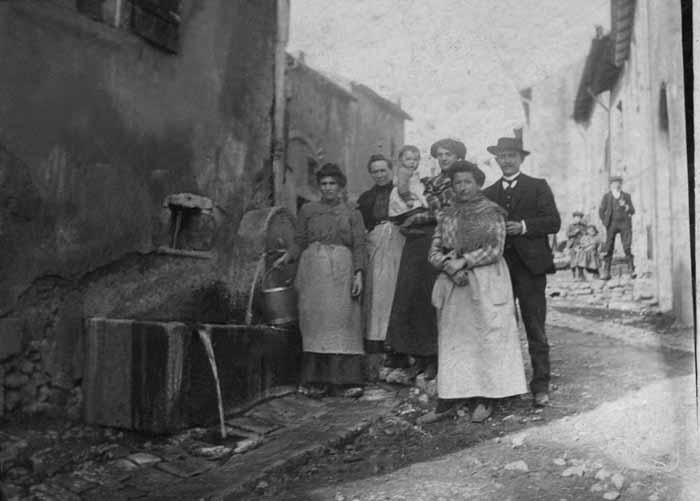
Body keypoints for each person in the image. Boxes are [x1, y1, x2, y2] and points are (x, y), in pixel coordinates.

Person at [419, 160, 527, 424]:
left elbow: (495, 248)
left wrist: (464, 261)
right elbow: (434, 249)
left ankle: (486, 397)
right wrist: (448, 266)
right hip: (455, 282)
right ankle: (449, 399)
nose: (463, 187)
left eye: (468, 182)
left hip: (486, 279)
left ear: (478, 184)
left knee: (486, 336)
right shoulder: (447, 214)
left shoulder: (491, 211)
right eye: (458, 183)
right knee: (456, 340)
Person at [483, 136, 561, 408]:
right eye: (502, 156)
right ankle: (504, 388)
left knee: (535, 327)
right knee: (500, 327)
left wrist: (525, 226)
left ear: (521, 158)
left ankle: (540, 385)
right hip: (499, 268)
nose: (506, 160)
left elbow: (554, 221)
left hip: (531, 268)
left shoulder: (537, 186)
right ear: (496, 160)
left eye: (511, 156)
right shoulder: (488, 193)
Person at [279, 163, 366, 398]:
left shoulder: (353, 213)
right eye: (324, 184)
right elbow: (299, 240)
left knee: (342, 323)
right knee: (315, 325)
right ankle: (315, 381)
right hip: (313, 272)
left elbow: (359, 245)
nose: (327, 188)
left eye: (332, 184)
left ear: (340, 187)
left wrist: (358, 274)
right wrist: (288, 256)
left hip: (342, 270)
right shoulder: (308, 210)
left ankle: (345, 382)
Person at [384, 138, 467, 379]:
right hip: (419, 243)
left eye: (448, 154)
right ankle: (419, 356)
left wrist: (415, 219)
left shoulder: (460, 180)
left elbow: (446, 212)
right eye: (439, 154)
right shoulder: (429, 181)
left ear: (458, 157)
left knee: (435, 301)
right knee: (413, 297)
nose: (443, 158)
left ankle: (437, 358)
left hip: (443, 242)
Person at [356, 154, 406, 359]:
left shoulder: (402, 191)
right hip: (375, 244)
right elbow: (362, 226)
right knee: (377, 291)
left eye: (382, 170)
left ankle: (398, 340)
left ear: (391, 170)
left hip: (400, 241)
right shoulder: (366, 198)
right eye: (374, 171)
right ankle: (377, 339)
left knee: (397, 287)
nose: (379, 175)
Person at [598, 176, 636, 280]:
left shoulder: (626, 196)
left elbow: (632, 211)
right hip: (612, 224)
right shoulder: (607, 196)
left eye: (619, 183)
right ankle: (606, 271)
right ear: (611, 185)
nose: (617, 185)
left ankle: (631, 270)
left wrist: (627, 207)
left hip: (625, 224)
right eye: (614, 183)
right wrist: (605, 222)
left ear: (621, 184)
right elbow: (601, 211)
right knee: (609, 247)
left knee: (627, 247)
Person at [388, 145, 428, 221]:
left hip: (409, 194)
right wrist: (407, 199)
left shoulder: (410, 171)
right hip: (404, 196)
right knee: (410, 210)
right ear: (400, 160)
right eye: (408, 159)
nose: (412, 162)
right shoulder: (404, 171)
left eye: (415, 160)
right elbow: (402, 186)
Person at [566, 211, 587, 280]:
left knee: (580, 260)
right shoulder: (571, 226)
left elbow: (587, 234)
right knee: (573, 261)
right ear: (574, 218)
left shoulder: (583, 226)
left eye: (579, 218)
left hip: (581, 245)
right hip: (573, 245)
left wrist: (583, 234)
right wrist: (574, 232)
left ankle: (581, 275)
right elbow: (567, 235)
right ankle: (574, 276)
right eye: (576, 218)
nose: (578, 219)